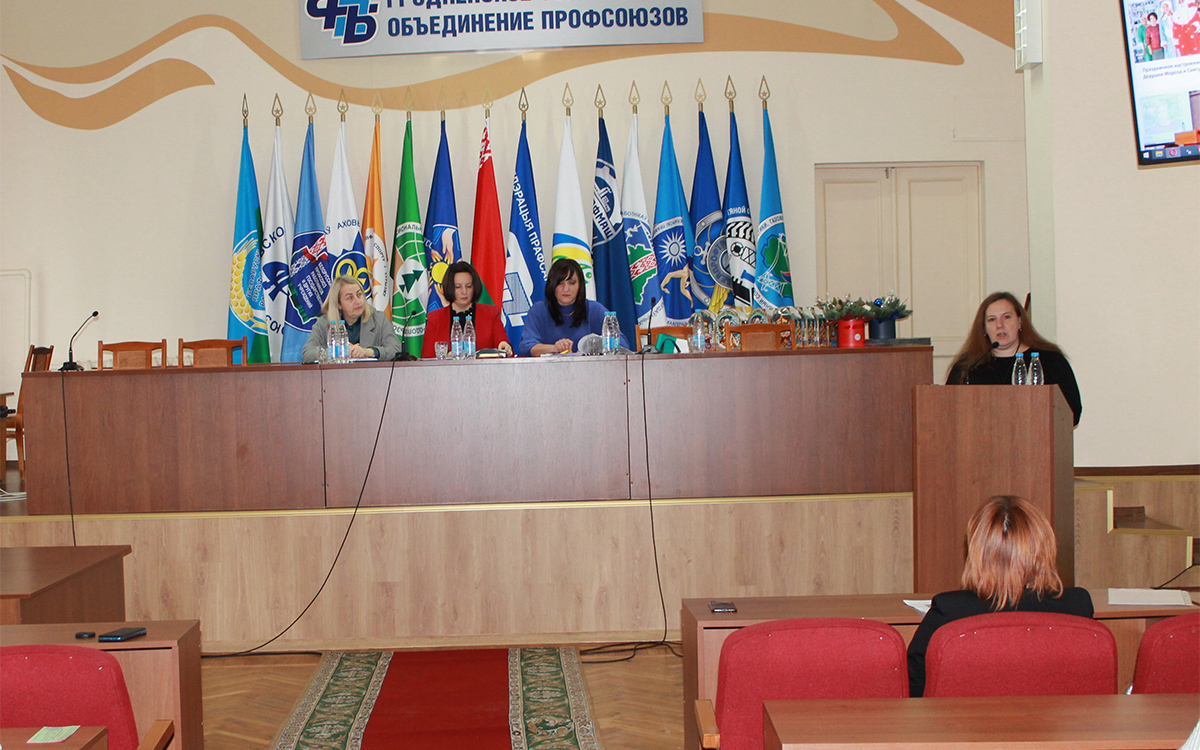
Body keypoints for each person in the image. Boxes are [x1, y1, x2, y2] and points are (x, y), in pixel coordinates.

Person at [906, 495, 1095, 697]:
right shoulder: (1078, 605)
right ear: (1046, 548)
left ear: (976, 553)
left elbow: (916, 680)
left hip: (966, 716)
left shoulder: (949, 610)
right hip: (1057, 715)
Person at [946, 292, 1082, 425]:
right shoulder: (968, 366)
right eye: (992, 319)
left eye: (1006, 317)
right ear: (984, 328)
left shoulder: (1050, 360)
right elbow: (948, 412)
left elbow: (1072, 412)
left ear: (1019, 322)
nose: (1000, 325)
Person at [518, 257, 629, 356]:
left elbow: (622, 344)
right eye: (560, 283)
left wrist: (595, 347)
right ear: (552, 285)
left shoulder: (595, 310)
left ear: (580, 285)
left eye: (571, 282)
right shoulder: (539, 310)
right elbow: (525, 347)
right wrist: (555, 348)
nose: (566, 288)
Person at [421, 260, 512, 358]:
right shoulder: (435, 318)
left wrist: (504, 346)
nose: (464, 292)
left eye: (468, 286)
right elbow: (426, 358)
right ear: (450, 288)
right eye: (458, 287)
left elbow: (502, 344)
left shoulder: (490, 313)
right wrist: (446, 357)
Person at [301, 276, 402, 363]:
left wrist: (368, 351)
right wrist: (339, 351)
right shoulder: (323, 324)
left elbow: (395, 350)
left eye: (359, 294)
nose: (358, 301)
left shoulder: (379, 319)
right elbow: (307, 354)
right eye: (350, 298)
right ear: (339, 304)